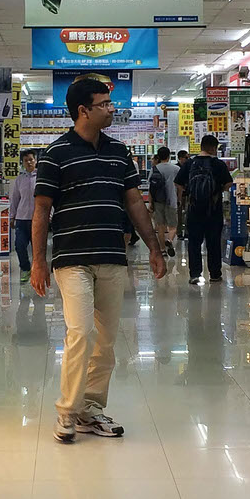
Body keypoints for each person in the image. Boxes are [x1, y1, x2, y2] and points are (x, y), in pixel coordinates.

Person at [31, 78, 166, 443]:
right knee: (80, 331)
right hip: (71, 258)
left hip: (111, 256)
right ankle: (67, 412)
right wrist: (38, 261)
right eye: (104, 103)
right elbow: (41, 210)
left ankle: (91, 408)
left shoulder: (120, 153)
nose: (111, 108)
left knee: (106, 339)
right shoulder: (55, 154)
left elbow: (135, 203)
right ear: (83, 110)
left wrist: (154, 246)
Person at [174, 134, 234, 285]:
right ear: (213, 148)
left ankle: (195, 274)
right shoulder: (218, 165)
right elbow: (228, 183)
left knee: (194, 242)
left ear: (201, 147)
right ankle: (214, 274)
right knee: (213, 242)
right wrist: (217, 191)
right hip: (213, 209)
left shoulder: (190, 163)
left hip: (194, 209)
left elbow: (178, 183)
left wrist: (188, 193)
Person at [8, 149, 38, 284]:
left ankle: (38, 272)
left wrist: (49, 214)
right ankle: (25, 269)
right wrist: (12, 217)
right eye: (26, 160)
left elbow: (49, 198)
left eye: (31, 159)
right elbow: (15, 199)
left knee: (37, 249)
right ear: (23, 163)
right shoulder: (20, 179)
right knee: (19, 245)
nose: (29, 162)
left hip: (37, 219)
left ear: (36, 160)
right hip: (21, 219)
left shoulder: (41, 177)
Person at [149, 146, 180, 257]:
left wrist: (151, 203)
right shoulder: (176, 169)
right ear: (169, 156)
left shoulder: (154, 169)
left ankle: (162, 249)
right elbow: (180, 186)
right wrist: (179, 199)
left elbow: (151, 188)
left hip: (158, 201)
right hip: (171, 200)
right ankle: (170, 241)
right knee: (173, 226)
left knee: (160, 226)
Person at [176, 149, 191, 240]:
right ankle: (179, 233)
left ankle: (187, 232)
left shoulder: (189, 167)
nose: (187, 159)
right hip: (179, 194)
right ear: (180, 158)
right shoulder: (176, 168)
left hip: (188, 193)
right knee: (179, 214)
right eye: (186, 157)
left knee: (188, 213)